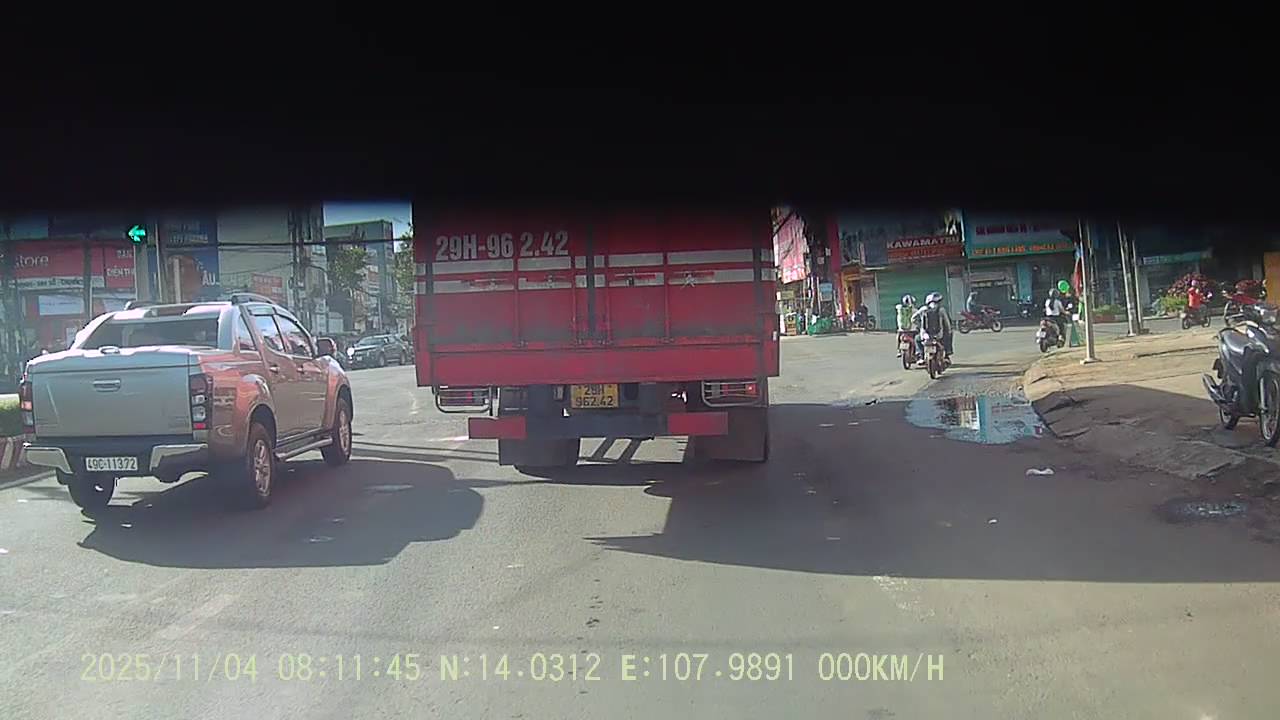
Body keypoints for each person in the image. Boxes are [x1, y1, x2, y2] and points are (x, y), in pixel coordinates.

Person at [912, 291, 953, 362]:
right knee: (948, 336)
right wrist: (949, 330)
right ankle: (947, 355)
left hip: (925, 335)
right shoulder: (941, 310)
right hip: (939, 335)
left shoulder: (923, 309)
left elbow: (913, 319)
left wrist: (920, 326)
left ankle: (921, 356)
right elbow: (947, 323)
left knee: (917, 339)